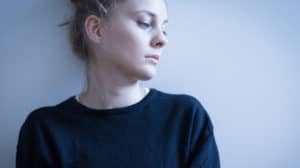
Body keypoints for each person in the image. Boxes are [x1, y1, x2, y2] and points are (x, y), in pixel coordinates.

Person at [16, 0, 220, 167]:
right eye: (145, 23)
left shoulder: (186, 119)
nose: (162, 39)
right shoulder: (45, 130)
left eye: (164, 29)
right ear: (97, 30)